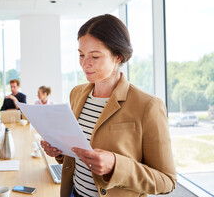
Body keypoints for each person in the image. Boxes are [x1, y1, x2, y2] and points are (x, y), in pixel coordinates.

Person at [41, 14, 176, 197]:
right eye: (81, 55)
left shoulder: (148, 106)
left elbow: (166, 181)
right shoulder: (76, 94)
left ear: (118, 57)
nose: (85, 64)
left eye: (95, 56)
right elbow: (78, 154)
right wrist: (59, 151)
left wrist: (115, 165)